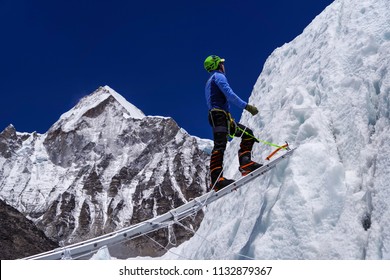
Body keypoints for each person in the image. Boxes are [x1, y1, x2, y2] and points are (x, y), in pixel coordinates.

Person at [204, 55, 262, 191]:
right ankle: (216, 180)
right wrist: (247, 106)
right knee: (220, 145)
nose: (223, 65)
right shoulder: (218, 77)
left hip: (222, 117)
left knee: (248, 134)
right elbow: (230, 95)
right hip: (219, 116)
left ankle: (245, 163)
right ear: (217, 65)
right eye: (221, 63)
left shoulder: (211, 80)